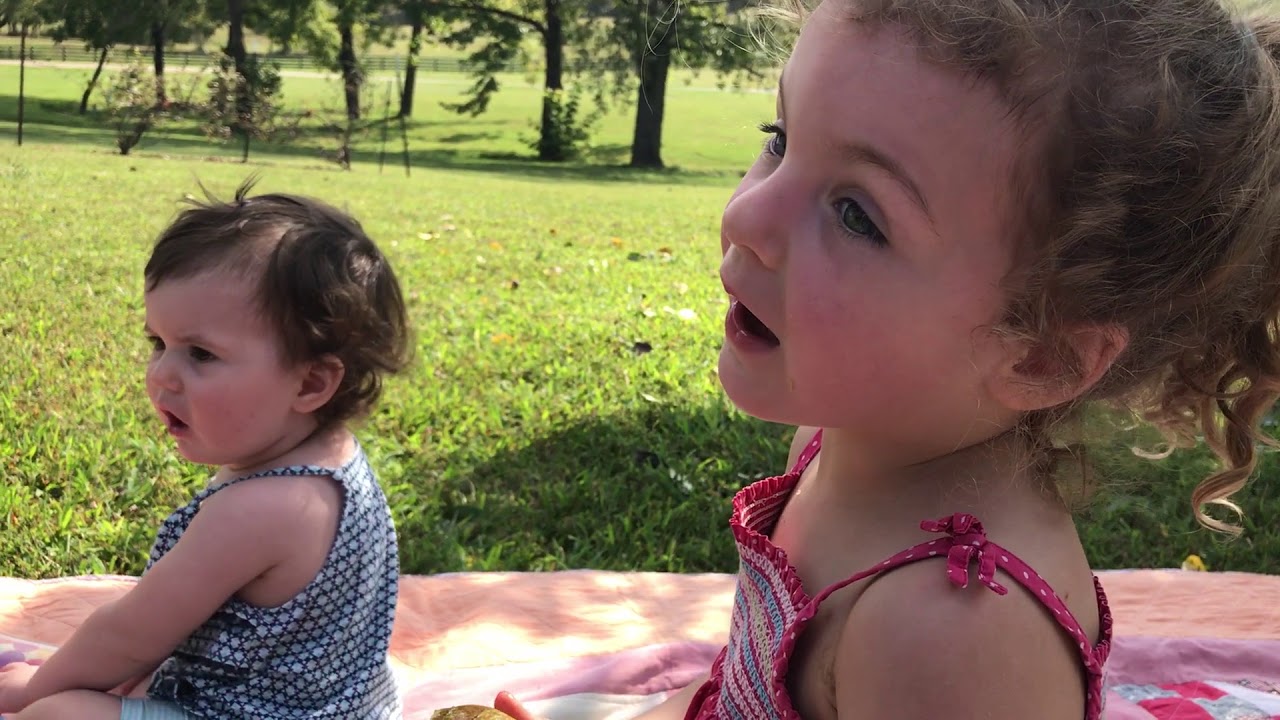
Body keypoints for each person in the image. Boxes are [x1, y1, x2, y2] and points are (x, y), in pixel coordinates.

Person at [496, 0, 1280, 716]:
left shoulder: (954, 632)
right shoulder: (840, 436)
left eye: (856, 214)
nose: (745, 215)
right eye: (779, 140)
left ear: (1040, 356)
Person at [0, 180, 412, 720]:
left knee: (61, 713)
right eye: (158, 345)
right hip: (349, 704)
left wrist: (35, 693)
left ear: (311, 383)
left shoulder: (260, 508)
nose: (161, 375)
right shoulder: (330, 455)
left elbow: (130, 636)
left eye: (201, 354)